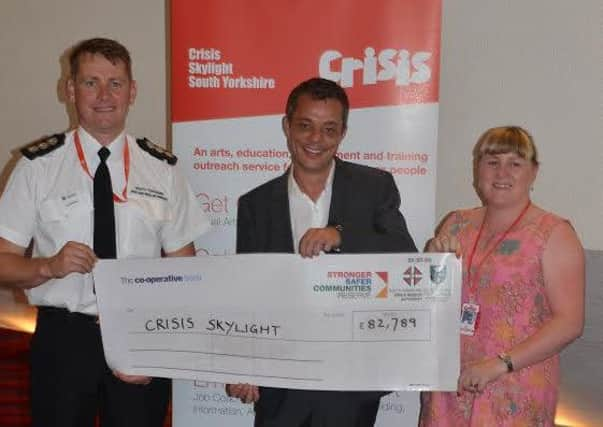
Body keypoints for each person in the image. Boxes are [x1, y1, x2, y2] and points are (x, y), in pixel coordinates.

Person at [0, 38, 209, 427]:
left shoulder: (161, 169)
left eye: (115, 83)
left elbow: (187, 273)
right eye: (90, 82)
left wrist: (154, 348)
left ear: (132, 91)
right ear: (69, 90)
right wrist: (48, 266)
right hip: (64, 338)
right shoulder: (37, 167)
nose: (103, 95)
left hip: (140, 330)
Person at [226, 77, 417, 427]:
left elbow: (404, 253)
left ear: (343, 133)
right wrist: (243, 365)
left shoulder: (374, 186)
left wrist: (340, 235)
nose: (316, 140)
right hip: (280, 379)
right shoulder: (255, 204)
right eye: (305, 126)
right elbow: (247, 293)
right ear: (287, 126)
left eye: (329, 129)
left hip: (351, 378)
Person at [419, 126, 585, 426]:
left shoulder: (554, 233)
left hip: (514, 386)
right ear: (477, 169)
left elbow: (569, 323)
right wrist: (433, 261)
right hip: (450, 382)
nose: (501, 173)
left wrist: (500, 364)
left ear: (533, 173)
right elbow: (430, 301)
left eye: (515, 163)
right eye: (492, 162)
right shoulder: (456, 223)